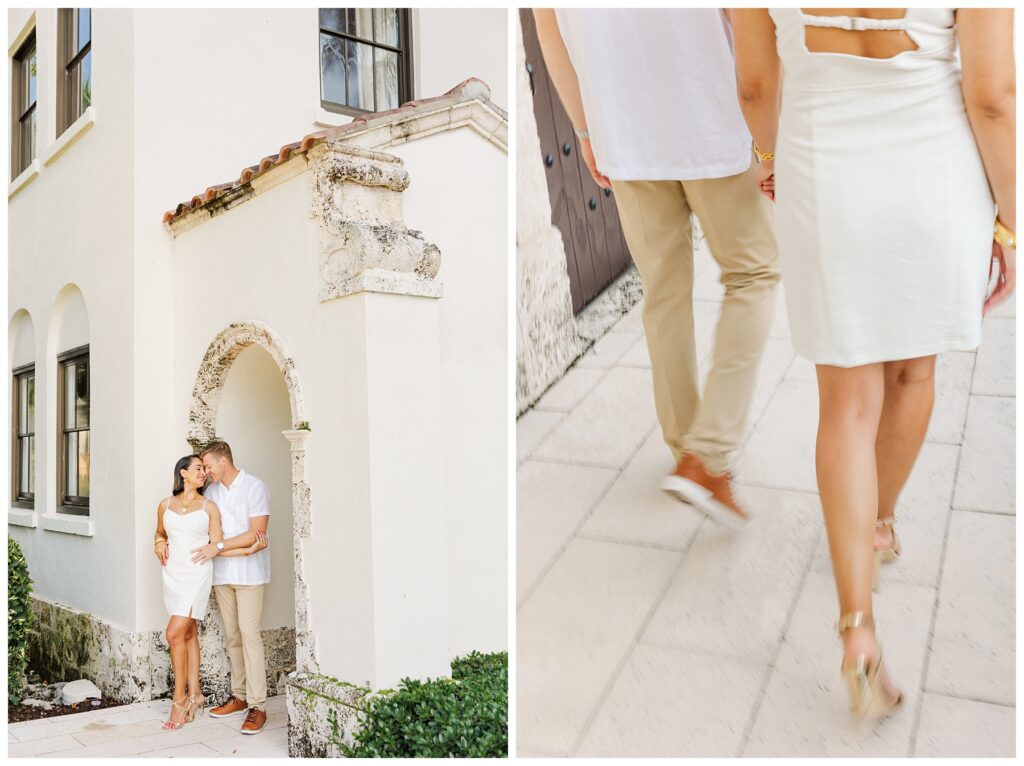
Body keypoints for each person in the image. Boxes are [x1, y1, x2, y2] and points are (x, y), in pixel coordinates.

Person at [732, 8, 1015, 720]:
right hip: (931, 168)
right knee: (913, 373)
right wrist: (1012, 218)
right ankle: (880, 523)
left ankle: (857, 629)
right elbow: (991, 95)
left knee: (845, 404)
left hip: (823, 164)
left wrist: (768, 160)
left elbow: (756, 88)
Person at [533, 9, 780, 524]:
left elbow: (550, 26)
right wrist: (771, 141)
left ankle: (686, 449)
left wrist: (585, 128)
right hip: (712, 118)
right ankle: (706, 455)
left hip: (625, 131)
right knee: (754, 274)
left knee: (663, 293)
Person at [152, 455, 267, 730]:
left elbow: (217, 546)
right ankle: (195, 696)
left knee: (173, 633)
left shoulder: (210, 507)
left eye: (205, 468)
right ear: (183, 473)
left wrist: (248, 550)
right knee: (188, 633)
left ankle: (178, 700)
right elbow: (160, 532)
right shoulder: (164, 505)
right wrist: (158, 543)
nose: (204, 473)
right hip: (173, 575)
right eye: (198, 469)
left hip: (197, 575)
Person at [193, 440, 272, 734]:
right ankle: (239, 696)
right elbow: (209, 538)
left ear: (222, 461)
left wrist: (219, 547)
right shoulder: (211, 492)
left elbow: (257, 533)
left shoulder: (255, 487)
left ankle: (258, 706)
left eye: (209, 465)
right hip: (222, 574)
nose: (207, 471)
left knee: (251, 635)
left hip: (250, 574)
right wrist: (226, 549)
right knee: (233, 636)